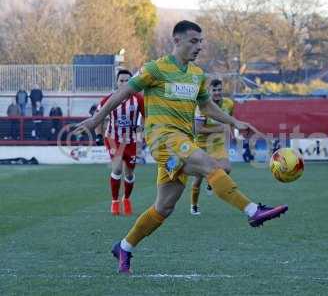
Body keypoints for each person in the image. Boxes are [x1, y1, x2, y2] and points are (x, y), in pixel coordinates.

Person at [75, 20, 288, 274]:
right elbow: (124, 93)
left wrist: (233, 121)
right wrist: (98, 118)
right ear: (177, 41)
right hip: (163, 138)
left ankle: (124, 246)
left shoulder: (198, 75)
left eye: (201, 42)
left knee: (163, 208)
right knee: (211, 165)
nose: (199, 46)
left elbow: (207, 106)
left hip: (183, 143)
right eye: (193, 41)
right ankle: (253, 210)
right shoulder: (156, 69)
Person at [94, 69, 144, 216]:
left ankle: (126, 199)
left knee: (129, 174)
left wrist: (142, 128)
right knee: (117, 169)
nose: (124, 83)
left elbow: (147, 117)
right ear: (116, 82)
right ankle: (114, 201)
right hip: (113, 139)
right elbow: (98, 117)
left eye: (127, 80)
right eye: (121, 80)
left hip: (131, 141)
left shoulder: (138, 99)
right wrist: (98, 135)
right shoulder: (108, 99)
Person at [190, 78, 234, 215]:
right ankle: (194, 205)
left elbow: (229, 120)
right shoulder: (201, 107)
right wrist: (219, 129)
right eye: (214, 90)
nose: (217, 92)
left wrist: (229, 130)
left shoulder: (229, 103)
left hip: (217, 144)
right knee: (197, 179)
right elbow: (198, 129)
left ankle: (211, 182)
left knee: (226, 168)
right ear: (208, 91)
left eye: (219, 90)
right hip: (201, 144)